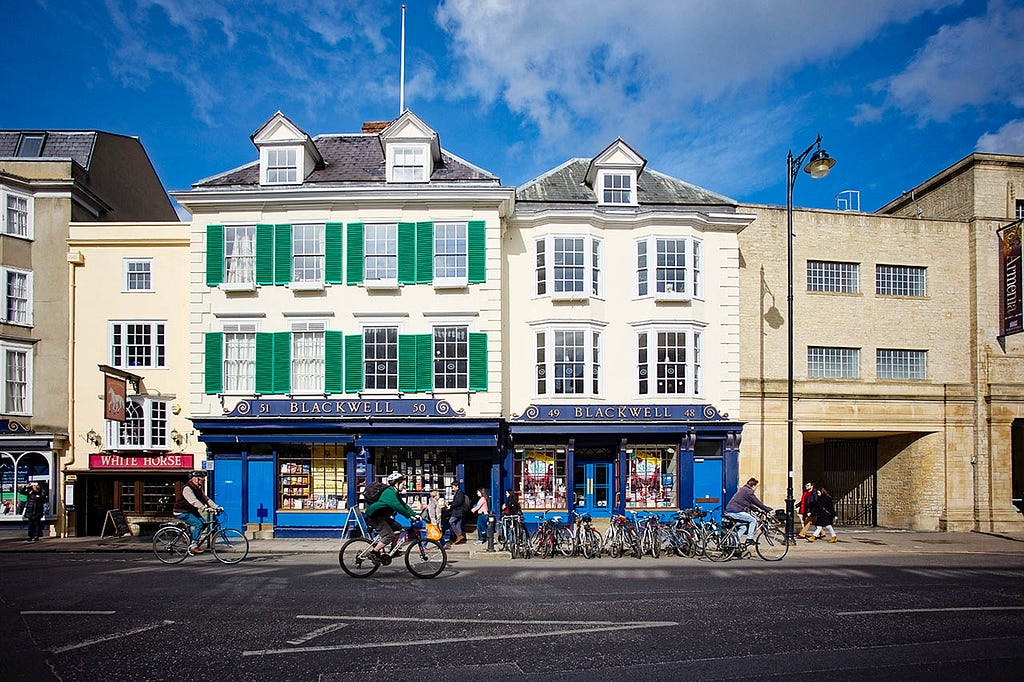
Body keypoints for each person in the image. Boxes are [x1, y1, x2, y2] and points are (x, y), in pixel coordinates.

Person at [364, 472, 420, 559]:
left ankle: (394, 549)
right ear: (396, 483)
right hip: (375, 517)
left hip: (382, 516)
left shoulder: (395, 492)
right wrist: (409, 516)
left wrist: (413, 514)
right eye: (402, 484)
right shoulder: (389, 492)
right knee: (389, 536)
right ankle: (373, 552)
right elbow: (397, 506)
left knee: (398, 528)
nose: (404, 486)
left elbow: (403, 504)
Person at [172, 471, 221, 555]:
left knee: (204, 523)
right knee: (198, 524)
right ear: (196, 479)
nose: (203, 481)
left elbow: (206, 499)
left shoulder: (198, 488)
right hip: (181, 511)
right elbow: (193, 501)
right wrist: (205, 508)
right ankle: (193, 546)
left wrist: (216, 507)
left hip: (190, 511)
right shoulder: (187, 488)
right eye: (202, 479)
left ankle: (191, 539)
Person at [724, 477, 772, 545]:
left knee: (743, 527)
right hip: (735, 511)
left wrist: (757, 510)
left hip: (730, 511)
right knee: (753, 520)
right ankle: (749, 538)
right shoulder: (748, 491)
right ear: (753, 486)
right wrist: (766, 508)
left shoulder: (743, 490)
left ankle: (733, 543)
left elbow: (749, 504)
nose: (756, 489)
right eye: (756, 487)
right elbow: (756, 502)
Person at [446, 482, 468, 548]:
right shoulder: (458, 493)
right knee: (458, 524)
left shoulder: (460, 493)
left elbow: (458, 502)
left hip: (457, 511)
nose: (453, 488)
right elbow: (456, 501)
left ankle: (459, 535)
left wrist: (451, 506)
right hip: (458, 511)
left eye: (453, 487)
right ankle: (459, 539)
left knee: (451, 521)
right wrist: (450, 503)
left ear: (457, 486)